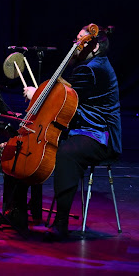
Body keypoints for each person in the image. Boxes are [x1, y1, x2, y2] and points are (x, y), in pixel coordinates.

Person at [21, 25, 121, 240]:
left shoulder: (92, 69)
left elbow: (68, 103)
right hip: (82, 128)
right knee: (31, 144)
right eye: (76, 39)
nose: (75, 45)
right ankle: (23, 209)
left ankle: (61, 222)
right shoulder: (91, 65)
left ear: (93, 47)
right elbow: (69, 94)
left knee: (66, 155)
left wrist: (37, 95)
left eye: (80, 41)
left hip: (99, 134)